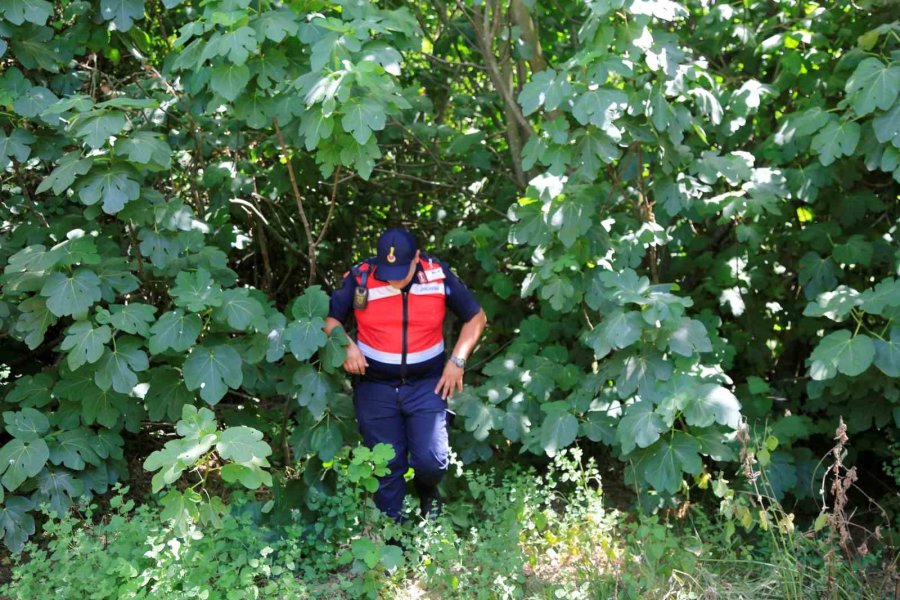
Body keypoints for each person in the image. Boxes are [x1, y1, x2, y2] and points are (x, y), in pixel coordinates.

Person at [324, 227, 487, 521]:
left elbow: (476, 316)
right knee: (387, 463)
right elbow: (331, 319)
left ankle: (426, 492)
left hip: (427, 382)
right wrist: (346, 346)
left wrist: (458, 361)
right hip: (375, 385)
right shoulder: (361, 276)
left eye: (401, 270)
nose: (394, 278)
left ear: (416, 258)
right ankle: (394, 539)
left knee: (432, 461)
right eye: (388, 271)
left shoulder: (437, 275)